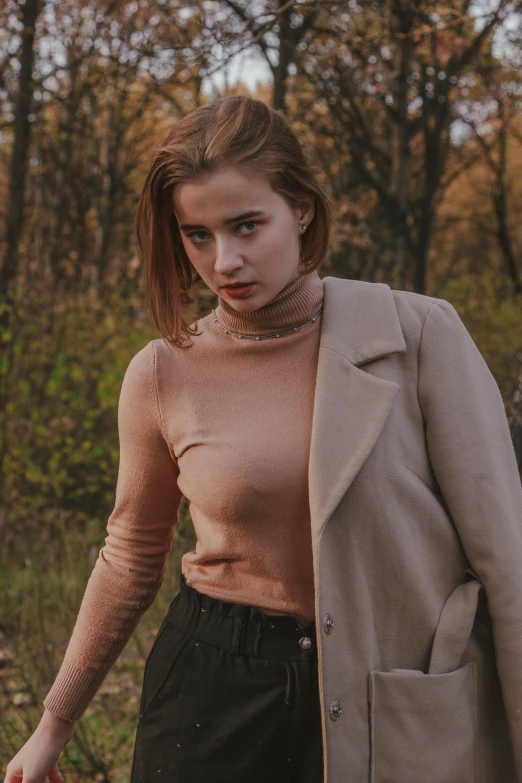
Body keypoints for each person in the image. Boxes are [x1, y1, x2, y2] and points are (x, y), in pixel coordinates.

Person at [4, 95, 522, 783]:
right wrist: (54, 722)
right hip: (210, 691)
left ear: (301, 208)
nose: (225, 261)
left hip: (385, 688)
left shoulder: (417, 336)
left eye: (248, 225)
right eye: (197, 235)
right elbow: (130, 553)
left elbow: (504, 555)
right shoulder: (162, 371)